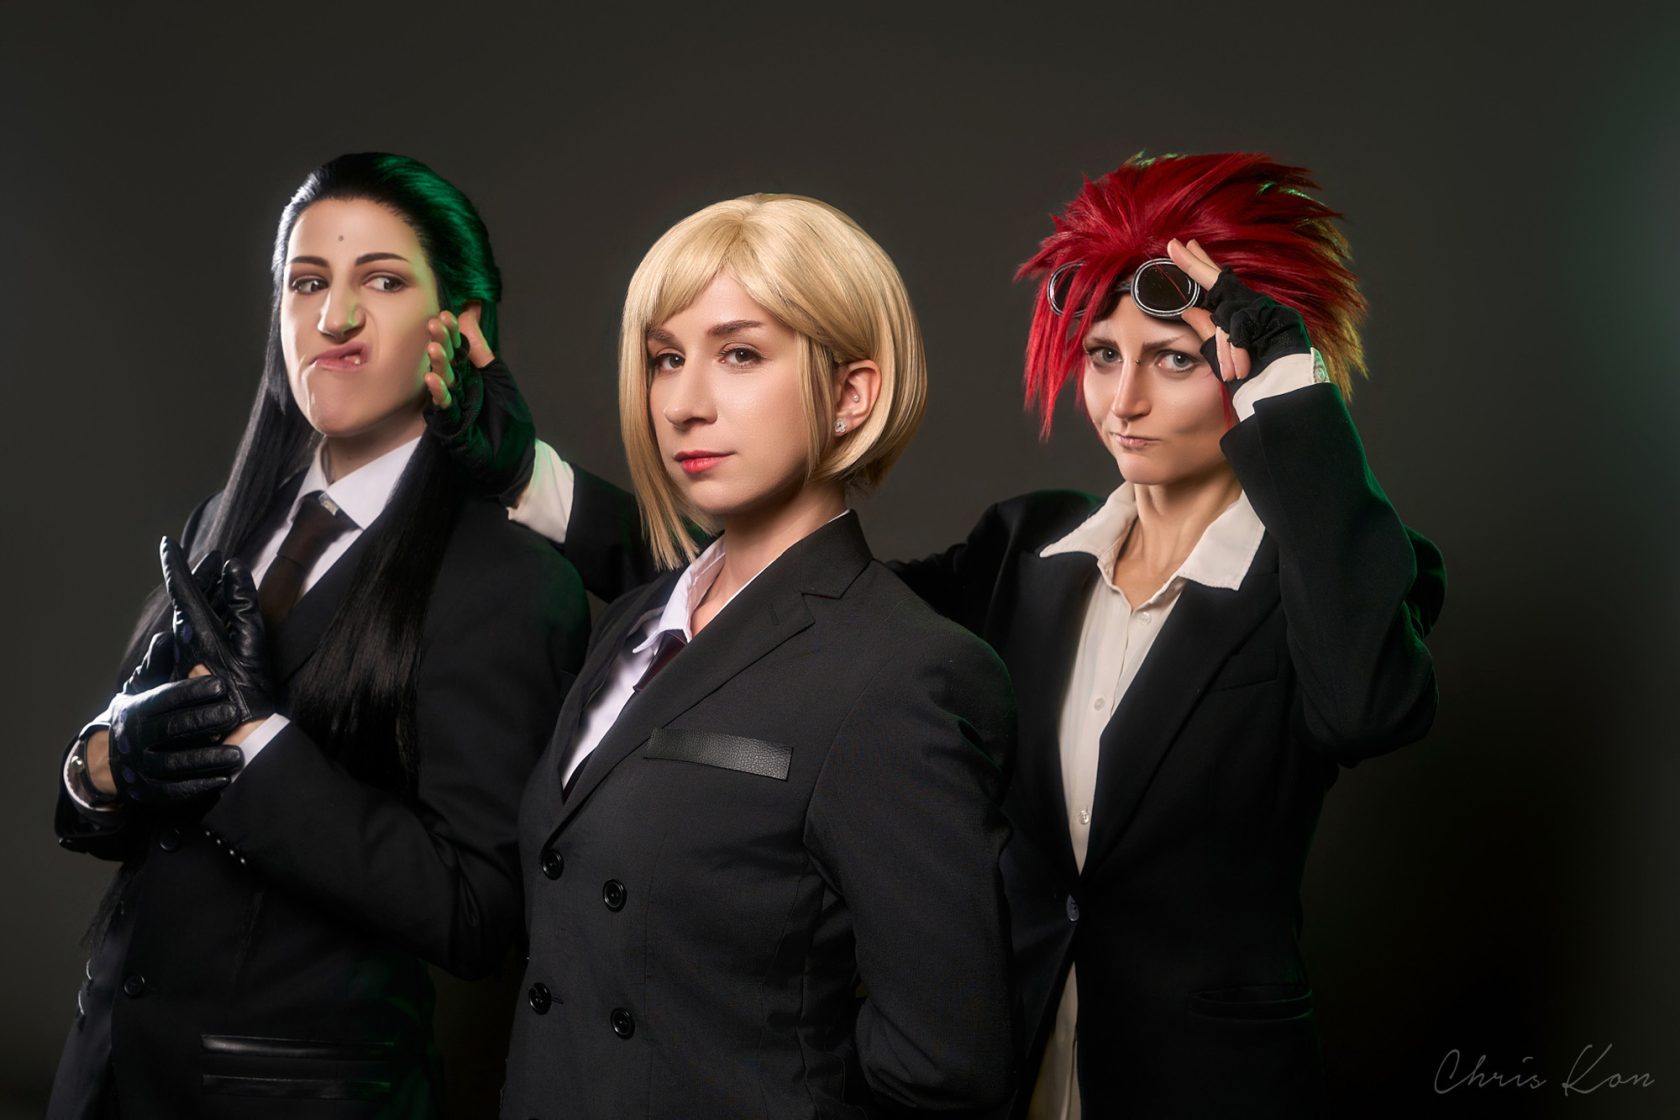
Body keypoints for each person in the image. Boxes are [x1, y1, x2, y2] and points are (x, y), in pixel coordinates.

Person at [448, 152, 1446, 1118]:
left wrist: (1291, 390)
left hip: (1201, 1081)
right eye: (1103, 355)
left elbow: (1365, 709)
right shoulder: (1029, 548)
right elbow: (788, 616)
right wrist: (527, 478)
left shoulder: (1335, 569)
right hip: (1005, 1064)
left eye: (1174, 359)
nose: (1125, 400)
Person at [49, 152, 590, 1119]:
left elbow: (477, 913)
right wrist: (103, 764)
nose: (334, 318)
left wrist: (256, 745)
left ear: (460, 328)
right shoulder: (226, 522)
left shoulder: (508, 580)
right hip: (103, 1079)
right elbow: (113, 801)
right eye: (307, 282)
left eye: (380, 281)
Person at [495, 194, 1016, 1119]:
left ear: (852, 393)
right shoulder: (637, 622)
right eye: (666, 358)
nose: (683, 404)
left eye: (739, 353)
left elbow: (943, 1066)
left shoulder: (903, 673)